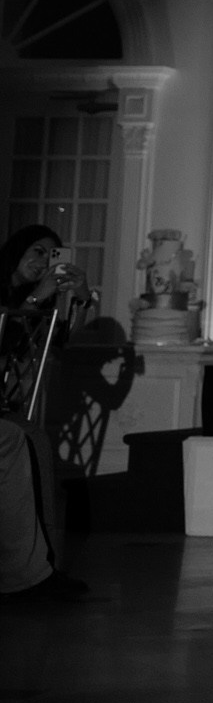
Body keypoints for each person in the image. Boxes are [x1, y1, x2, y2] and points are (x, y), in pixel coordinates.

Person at [0, 222, 90, 607]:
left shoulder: (32, 299)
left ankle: (38, 569)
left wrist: (80, 300)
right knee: (24, 440)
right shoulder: (18, 299)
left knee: (34, 443)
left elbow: (60, 342)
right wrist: (37, 299)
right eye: (37, 251)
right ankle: (27, 574)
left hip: (9, 407)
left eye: (52, 255)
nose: (43, 262)